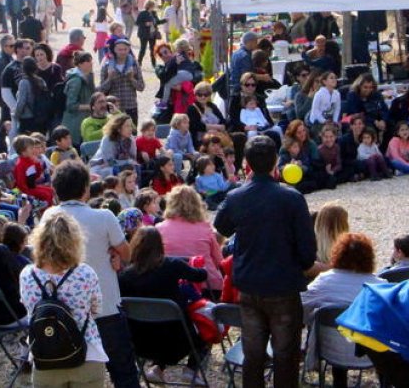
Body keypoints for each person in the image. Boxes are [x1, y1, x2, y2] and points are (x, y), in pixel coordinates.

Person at [213, 137, 316, 388]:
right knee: (285, 355)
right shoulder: (292, 198)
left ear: (246, 163)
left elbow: (221, 226)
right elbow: (307, 251)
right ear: (276, 161)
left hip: (249, 283)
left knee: (254, 353)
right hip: (282, 283)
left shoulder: (237, 197)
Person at [51, 161, 141, 387]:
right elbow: (128, 254)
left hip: (64, 307)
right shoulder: (104, 217)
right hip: (103, 305)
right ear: (85, 189)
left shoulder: (49, 216)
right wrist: (114, 251)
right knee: (123, 369)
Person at [19, 209, 108, 387]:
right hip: (86, 353)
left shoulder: (27, 275)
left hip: (45, 355)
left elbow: (28, 308)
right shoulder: (85, 273)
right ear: (75, 241)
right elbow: (97, 310)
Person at [117, 226, 209, 384]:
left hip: (141, 343)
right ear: (160, 245)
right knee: (206, 329)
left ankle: (157, 368)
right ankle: (191, 368)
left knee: (157, 325)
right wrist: (201, 267)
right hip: (180, 340)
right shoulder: (171, 265)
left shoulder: (125, 276)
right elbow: (200, 276)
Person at [301, 233, 383, 388]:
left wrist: (311, 319)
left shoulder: (325, 281)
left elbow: (300, 304)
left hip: (331, 350)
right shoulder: (380, 286)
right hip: (370, 353)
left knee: (337, 336)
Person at [155, 185, 225, 294]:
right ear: (197, 204)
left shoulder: (159, 229)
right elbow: (219, 261)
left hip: (171, 285)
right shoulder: (205, 228)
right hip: (207, 286)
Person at [100, 38, 145, 125]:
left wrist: (132, 79)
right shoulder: (107, 66)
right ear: (114, 50)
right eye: (120, 49)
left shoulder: (134, 65)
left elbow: (141, 87)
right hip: (113, 107)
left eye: (125, 49)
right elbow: (102, 90)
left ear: (129, 50)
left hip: (130, 106)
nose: (123, 52)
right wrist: (109, 78)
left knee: (132, 133)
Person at [63, 52, 97, 146]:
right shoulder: (76, 80)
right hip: (75, 124)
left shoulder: (88, 76)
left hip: (84, 122)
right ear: (80, 64)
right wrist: (91, 107)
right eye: (88, 61)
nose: (91, 63)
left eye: (91, 61)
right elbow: (71, 105)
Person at [14, 56, 52, 136]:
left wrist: (16, 115)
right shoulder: (41, 81)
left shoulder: (23, 82)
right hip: (41, 117)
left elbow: (21, 102)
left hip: (27, 117)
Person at [135, 0, 162, 68]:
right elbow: (137, 23)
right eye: (153, 6)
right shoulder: (142, 13)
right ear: (149, 6)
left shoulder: (154, 13)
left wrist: (165, 20)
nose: (154, 7)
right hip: (144, 34)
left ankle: (154, 63)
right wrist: (145, 24)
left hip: (152, 33)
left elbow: (157, 22)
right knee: (143, 49)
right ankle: (139, 62)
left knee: (153, 49)